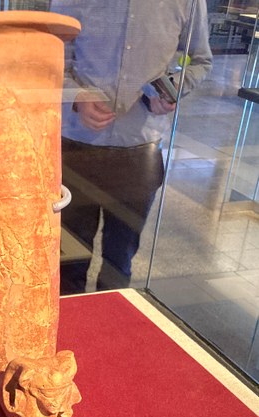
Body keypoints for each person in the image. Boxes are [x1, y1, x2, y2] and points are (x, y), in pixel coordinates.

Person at [52, 0, 213, 293]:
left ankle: (112, 328)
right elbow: (52, 58)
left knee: (120, 261)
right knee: (68, 262)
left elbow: (201, 59)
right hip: (76, 148)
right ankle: (67, 334)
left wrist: (171, 88)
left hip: (139, 151)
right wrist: (77, 97)